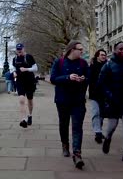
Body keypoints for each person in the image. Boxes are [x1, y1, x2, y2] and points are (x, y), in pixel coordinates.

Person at [50, 40, 89, 169]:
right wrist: (68, 77)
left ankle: (77, 154)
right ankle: (65, 145)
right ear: (72, 50)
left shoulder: (83, 63)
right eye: (80, 49)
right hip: (62, 100)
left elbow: (89, 78)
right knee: (64, 124)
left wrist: (83, 79)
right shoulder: (59, 62)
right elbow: (53, 79)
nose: (82, 52)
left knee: (77, 127)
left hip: (78, 100)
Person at [98, 42, 123, 165]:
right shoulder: (108, 66)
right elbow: (101, 83)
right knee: (112, 125)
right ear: (115, 50)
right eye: (120, 49)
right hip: (113, 101)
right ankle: (108, 137)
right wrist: (110, 96)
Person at [12, 43, 38, 128]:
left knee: (30, 100)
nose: (19, 51)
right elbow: (13, 68)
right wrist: (14, 72)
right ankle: (23, 120)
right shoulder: (15, 59)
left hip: (30, 81)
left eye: (20, 49)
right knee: (21, 100)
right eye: (18, 49)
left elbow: (35, 68)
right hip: (20, 81)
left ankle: (30, 115)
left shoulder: (29, 57)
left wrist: (26, 69)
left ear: (23, 49)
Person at [88, 49, 107, 144]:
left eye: (105, 55)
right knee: (96, 113)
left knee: (102, 114)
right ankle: (98, 132)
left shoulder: (108, 66)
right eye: (102, 55)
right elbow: (89, 80)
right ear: (97, 56)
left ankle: (99, 129)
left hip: (105, 95)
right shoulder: (92, 66)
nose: (104, 56)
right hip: (95, 94)